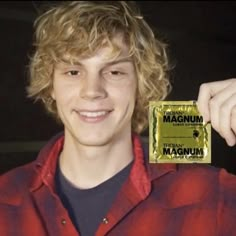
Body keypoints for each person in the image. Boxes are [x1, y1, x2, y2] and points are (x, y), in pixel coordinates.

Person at [0, 1, 235, 235]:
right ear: (51, 85)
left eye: (114, 72)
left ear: (140, 84)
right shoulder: (5, 197)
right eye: (73, 72)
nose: (92, 91)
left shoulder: (213, 196)